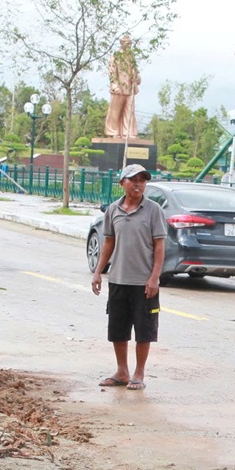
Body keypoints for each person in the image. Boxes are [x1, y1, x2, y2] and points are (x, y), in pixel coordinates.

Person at [91, 163, 167, 390]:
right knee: (118, 328)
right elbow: (108, 242)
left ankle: (139, 373)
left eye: (142, 180)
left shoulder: (153, 210)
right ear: (122, 183)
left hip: (144, 283)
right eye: (134, 180)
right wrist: (98, 272)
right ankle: (122, 371)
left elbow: (160, 245)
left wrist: (154, 277)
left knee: (144, 330)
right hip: (118, 279)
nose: (138, 184)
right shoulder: (114, 209)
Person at [104, 34, 141, 139]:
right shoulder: (115, 56)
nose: (129, 45)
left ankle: (128, 132)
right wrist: (114, 85)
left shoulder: (131, 56)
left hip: (130, 86)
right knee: (115, 110)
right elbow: (112, 71)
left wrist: (137, 77)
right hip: (119, 87)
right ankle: (113, 131)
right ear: (122, 43)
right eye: (127, 43)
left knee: (130, 110)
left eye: (130, 43)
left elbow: (136, 70)